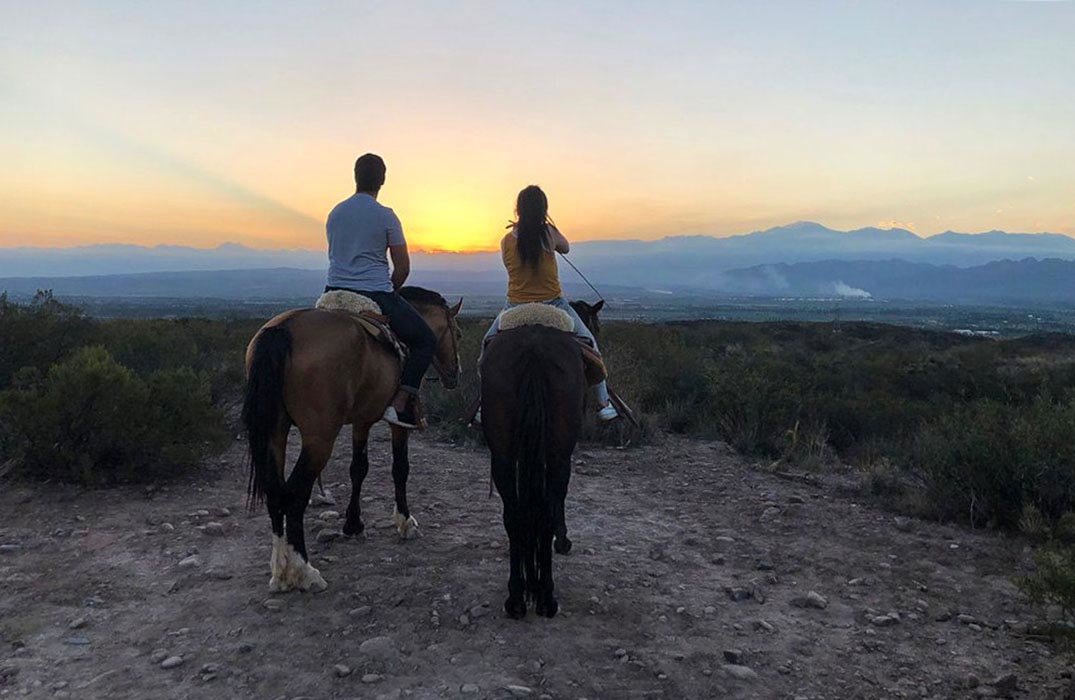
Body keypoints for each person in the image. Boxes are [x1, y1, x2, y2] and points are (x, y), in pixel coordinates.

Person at [482, 185, 618, 421]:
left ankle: (484, 407)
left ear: (518, 209)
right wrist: (549, 230)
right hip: (554, 304)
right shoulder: (550, 234)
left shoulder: (506, 241)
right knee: (590, 344)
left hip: (516, 307)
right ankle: (603, 403)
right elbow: (566, 247)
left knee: (486, 349)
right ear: (544, 209)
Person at [324, 153, 435, 429]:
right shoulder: (386, 216)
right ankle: (400, 404)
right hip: (374, 293)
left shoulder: (335, 213)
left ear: (355, 176)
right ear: (382, 180)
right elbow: (402, 267)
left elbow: (335, 255)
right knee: (425, 341)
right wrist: (391, 292)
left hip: (332, 292)